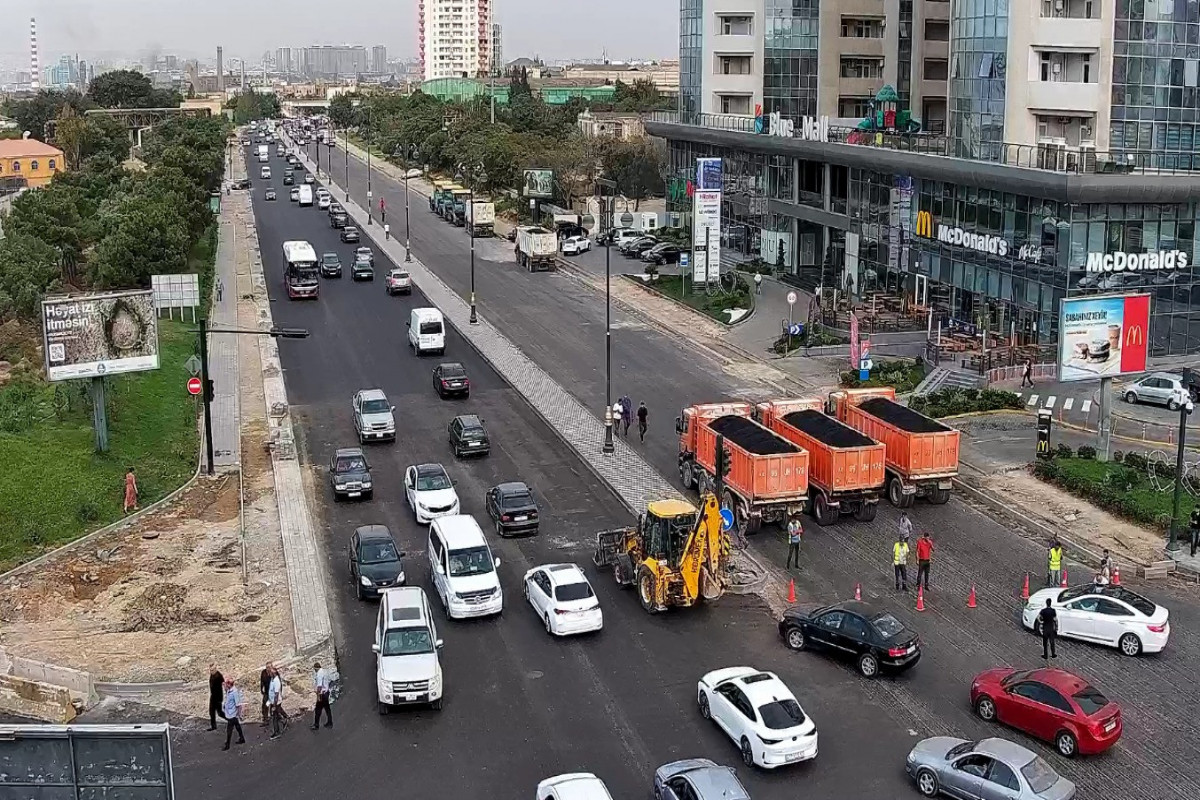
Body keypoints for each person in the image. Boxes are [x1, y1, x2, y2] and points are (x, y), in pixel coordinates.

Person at [221, 678, 246, 751]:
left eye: (226, 683)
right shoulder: (229, 690)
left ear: (229, 684)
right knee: (237, 726)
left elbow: (238, 705)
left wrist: (239, 714)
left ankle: (227, 744)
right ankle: (242, 738)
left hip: (232, 714)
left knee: (229, 729)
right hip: (230, 713)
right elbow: (226, 691)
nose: (225, 685)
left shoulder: (234, 692)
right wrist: (224, 686)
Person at [311, 662, 333, 730]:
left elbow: (319, 686)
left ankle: (316, 725)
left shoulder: (319, 674)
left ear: (316, 668)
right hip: (326, 692)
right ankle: (330, 722)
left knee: (318, 709)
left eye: (314, 669)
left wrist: (318, 694)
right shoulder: (324, 672)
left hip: (321, 694)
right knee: (327, 709)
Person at [267, 666, 284, 740]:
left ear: (273, 673)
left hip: (276, 702)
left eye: (270, 672)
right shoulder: (272, 679)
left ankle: (277, 732)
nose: (268, 674)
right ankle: (284, 720)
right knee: (276, 714)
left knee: (275, 717)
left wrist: (274, 705)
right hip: (272, 701)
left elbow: (276, 694)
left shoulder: (276, 681)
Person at [208, 664, 226, 731]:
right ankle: (213, 726)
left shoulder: (218, 676)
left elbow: (224, 683)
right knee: (211, 712)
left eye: (212, 670)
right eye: (210, 670)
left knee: (220, 713)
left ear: (215, 669)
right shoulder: (212, 675)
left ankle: (230, 720)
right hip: (213, 696)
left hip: (218, 697)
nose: (211, 672)